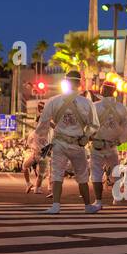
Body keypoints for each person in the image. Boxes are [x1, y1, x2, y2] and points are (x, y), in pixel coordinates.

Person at [35, 70, 101, 215]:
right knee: (82, 176)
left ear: (65, 82)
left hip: (59, 142)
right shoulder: (87, 103)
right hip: (78, 143)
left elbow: (43, 124)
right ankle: (87, 205)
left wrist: (40, 143)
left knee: (57, 173)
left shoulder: (53, 101)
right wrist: (86, 135)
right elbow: (95, 125)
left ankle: (56, 205)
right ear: (79, 84)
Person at [92, 83, 127, 206]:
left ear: (102, 91)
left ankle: (98, 201)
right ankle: (117, 198)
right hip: (113, 146)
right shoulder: (121, 108)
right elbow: (125, 128)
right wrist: (119, 140)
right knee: (115, 172)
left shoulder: (95, 107)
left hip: (97, 145)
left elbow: (87, 125)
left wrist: (87, 137)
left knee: (97, 173)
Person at [21, 101, 49, 195]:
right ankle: (37, 187)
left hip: (36, 154)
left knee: (25, 166)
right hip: (42, 155)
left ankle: (30, 184)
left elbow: (29, 144)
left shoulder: (34, 133)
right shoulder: (48, 133)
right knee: (40, 174)